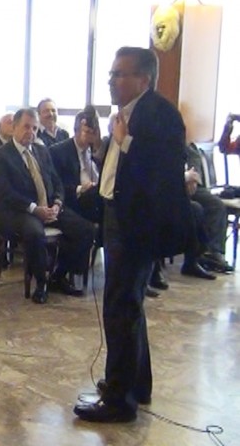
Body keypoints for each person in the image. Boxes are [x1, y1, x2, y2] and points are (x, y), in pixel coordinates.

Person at [73, 47, 191, 423]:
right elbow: (117, 169)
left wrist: (123, 141)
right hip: (116, 215)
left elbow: (162, 170)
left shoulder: (159, 114)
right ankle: (137, 384)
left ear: (144, 79)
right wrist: (105, 149)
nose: (111, 81)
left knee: (120, 308)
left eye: (119, 74)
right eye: (111, 74)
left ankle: (118, 399)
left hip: (135, 225)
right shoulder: (124, 114)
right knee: (128, 305)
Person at [0, 108, 94, 302]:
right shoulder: (0, 156)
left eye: (35, 128)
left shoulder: (41, 151)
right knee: (35, 233)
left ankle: (58, 275)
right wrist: (34, 209)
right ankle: (41, 282)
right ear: (14, 127)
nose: (31, 132)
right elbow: (5, 192)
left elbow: (56, 182)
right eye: (26, 127)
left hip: (48, 206)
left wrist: (57, 203)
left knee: (86, 230)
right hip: (18, 211)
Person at [184, 142, 233, 273]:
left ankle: (213, 252)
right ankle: (198, 256)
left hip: (192, 184)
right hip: (174, 184)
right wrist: (185, 177)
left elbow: (193, 158)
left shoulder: (189, 144)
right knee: (196, 209)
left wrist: (193, 178)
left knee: (216, 205)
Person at [48, 106, 103, 224]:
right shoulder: (58, 152)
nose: (91, 137)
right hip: (73, 201)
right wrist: (80, 189)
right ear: (76, 130)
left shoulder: (97, 151)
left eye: (93, 133)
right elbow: (56, 185)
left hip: (96, 199)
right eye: (87, 132)